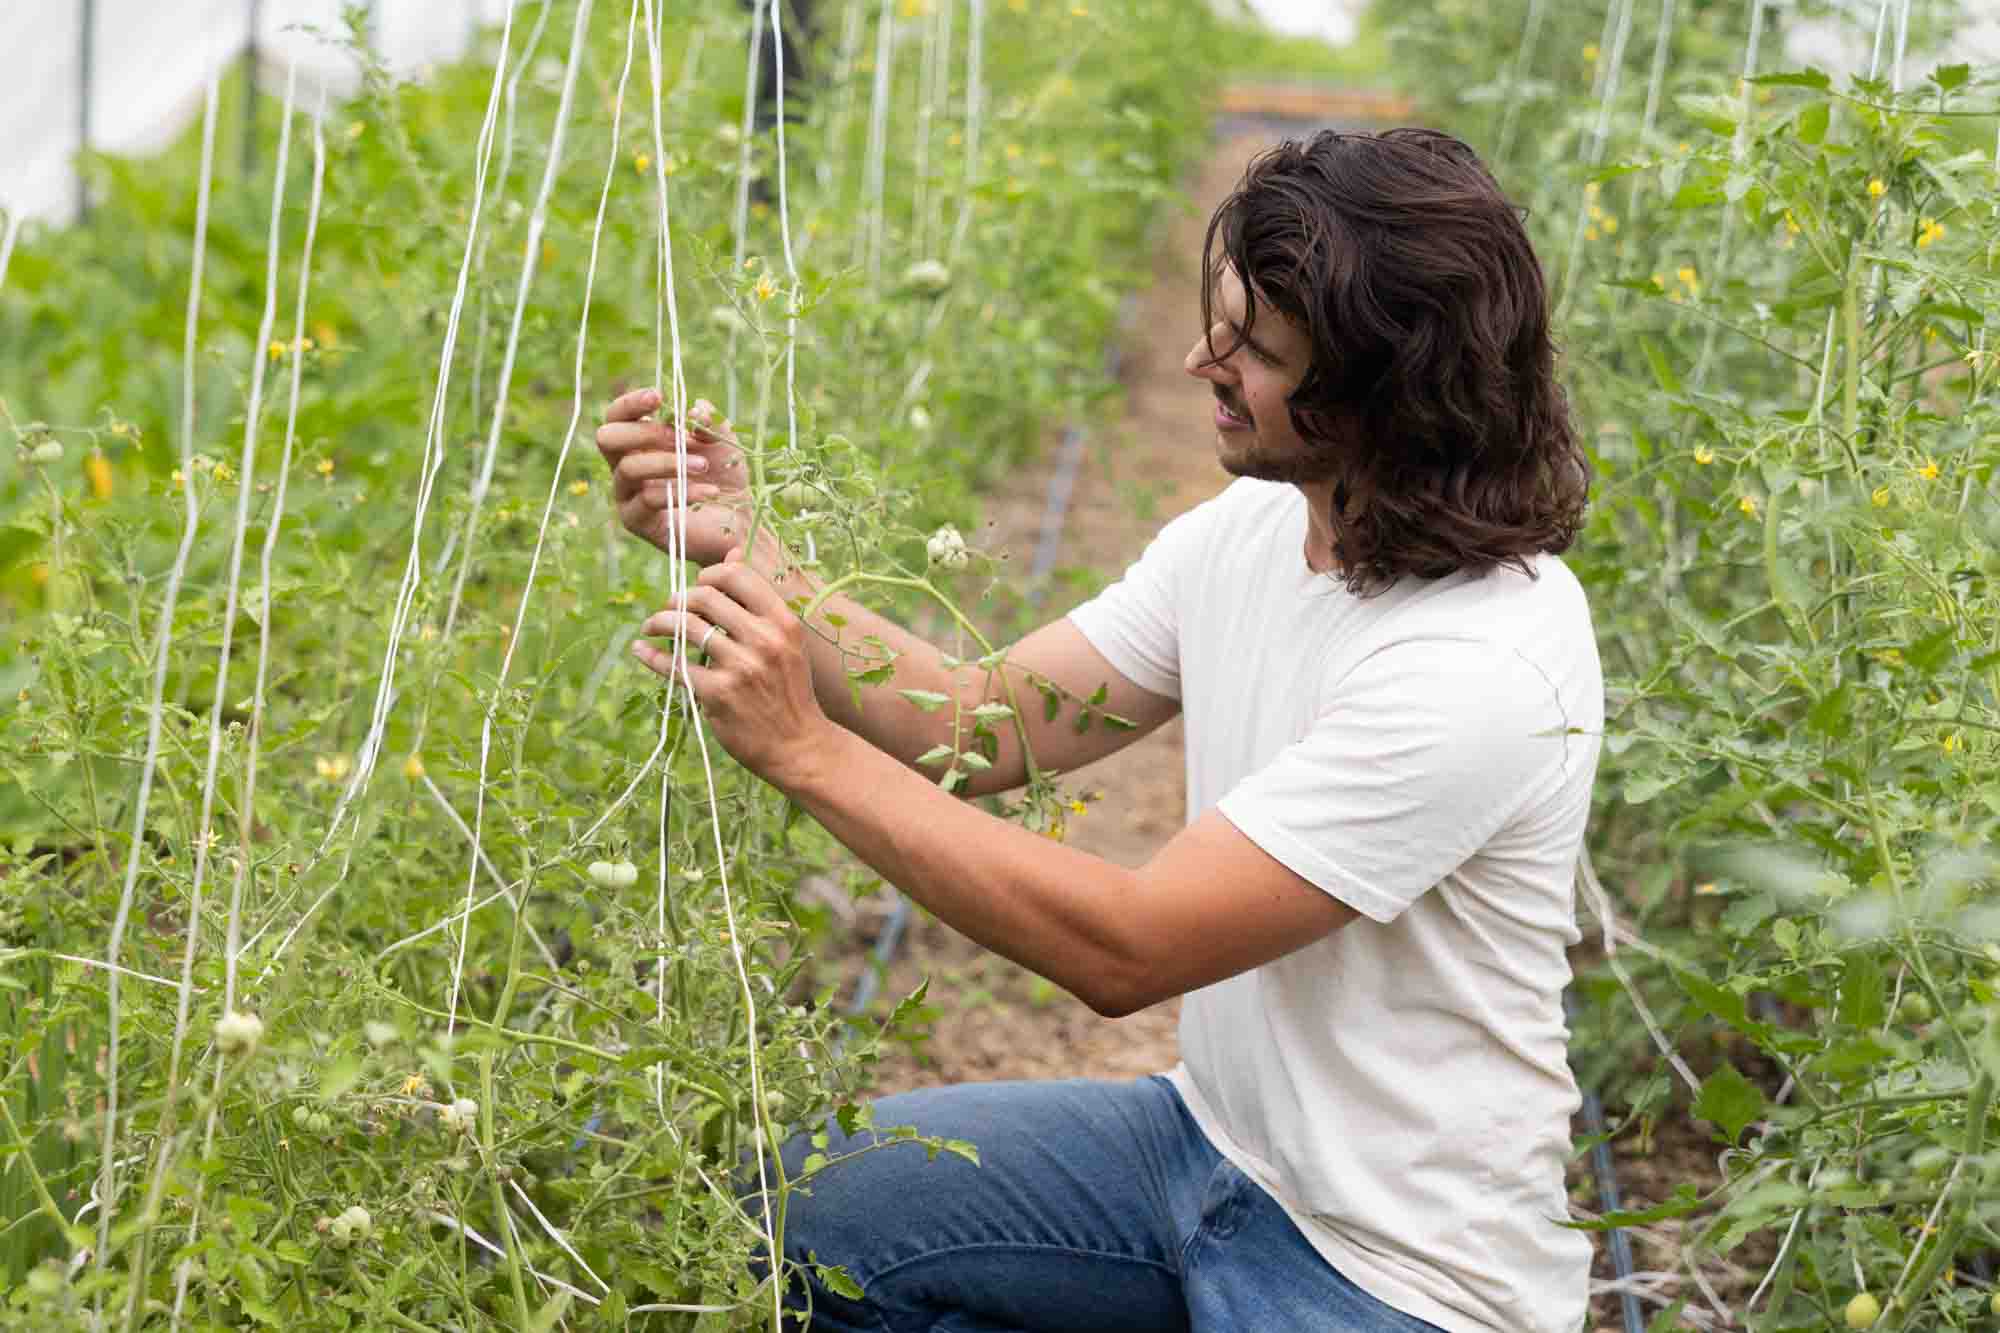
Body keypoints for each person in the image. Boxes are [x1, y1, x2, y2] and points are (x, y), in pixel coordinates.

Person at [593, 127, 1599, 1333]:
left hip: (1396, 1275)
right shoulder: (1249, 536)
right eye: (1216, 321)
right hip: (1205, 1153)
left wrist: (804, 749)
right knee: (798, 1214)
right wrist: (751, 550)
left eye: (1255, 351)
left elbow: (1126, 950)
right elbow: (979, 724)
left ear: (1390, 389)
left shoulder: (1473, 665)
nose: (1196, 361)